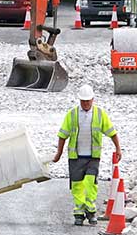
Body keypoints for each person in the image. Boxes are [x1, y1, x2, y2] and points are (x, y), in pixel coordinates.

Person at [52, 85, 121, 226]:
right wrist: (59, 153)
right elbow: (62, 135)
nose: (86, 104)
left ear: (93, 100)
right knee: (77, 185)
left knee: (90, 183)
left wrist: (118, 148)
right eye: (83, 101)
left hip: (92, 157)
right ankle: (79, 213)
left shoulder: (100, 114)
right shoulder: (72, 115)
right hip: (75, 157)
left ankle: (91, 211)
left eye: (88, 101)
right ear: (79, 100)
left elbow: (111, 132)